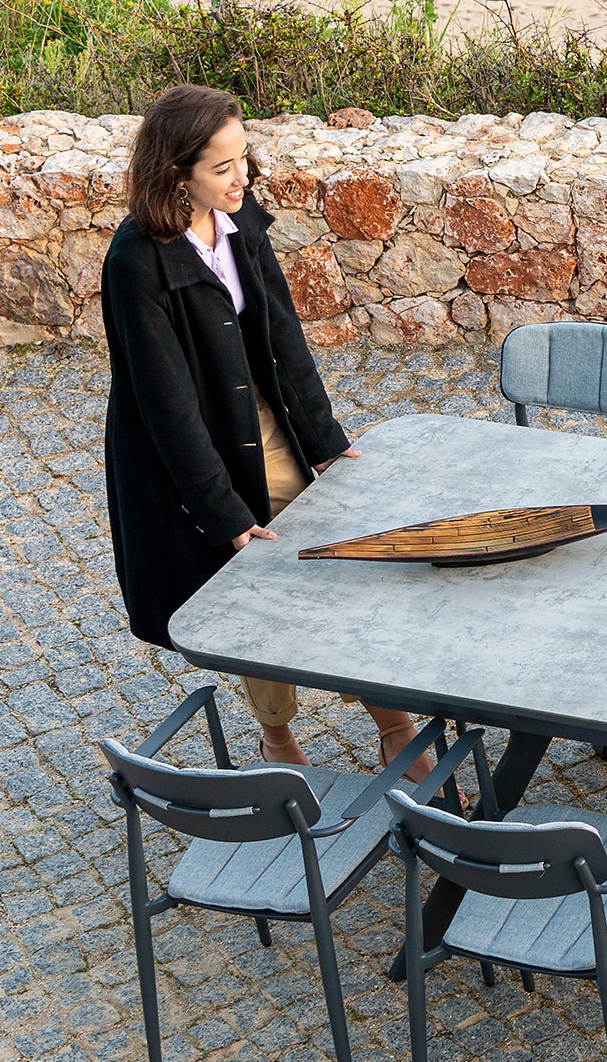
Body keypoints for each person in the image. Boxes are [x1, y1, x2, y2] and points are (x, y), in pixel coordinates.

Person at [100, 83, 418, 770]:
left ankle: (393, 725)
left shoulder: (239, 218)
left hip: (264, 418)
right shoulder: (136, 263)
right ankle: (277, 735)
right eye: (222, 167)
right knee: (257, 588)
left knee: (337, 562)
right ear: (175, 173)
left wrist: (325, 442)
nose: (241, 176)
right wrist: (222, 510)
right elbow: (167, 406)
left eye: (243, 157)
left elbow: (283, 336)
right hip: (196, 449)